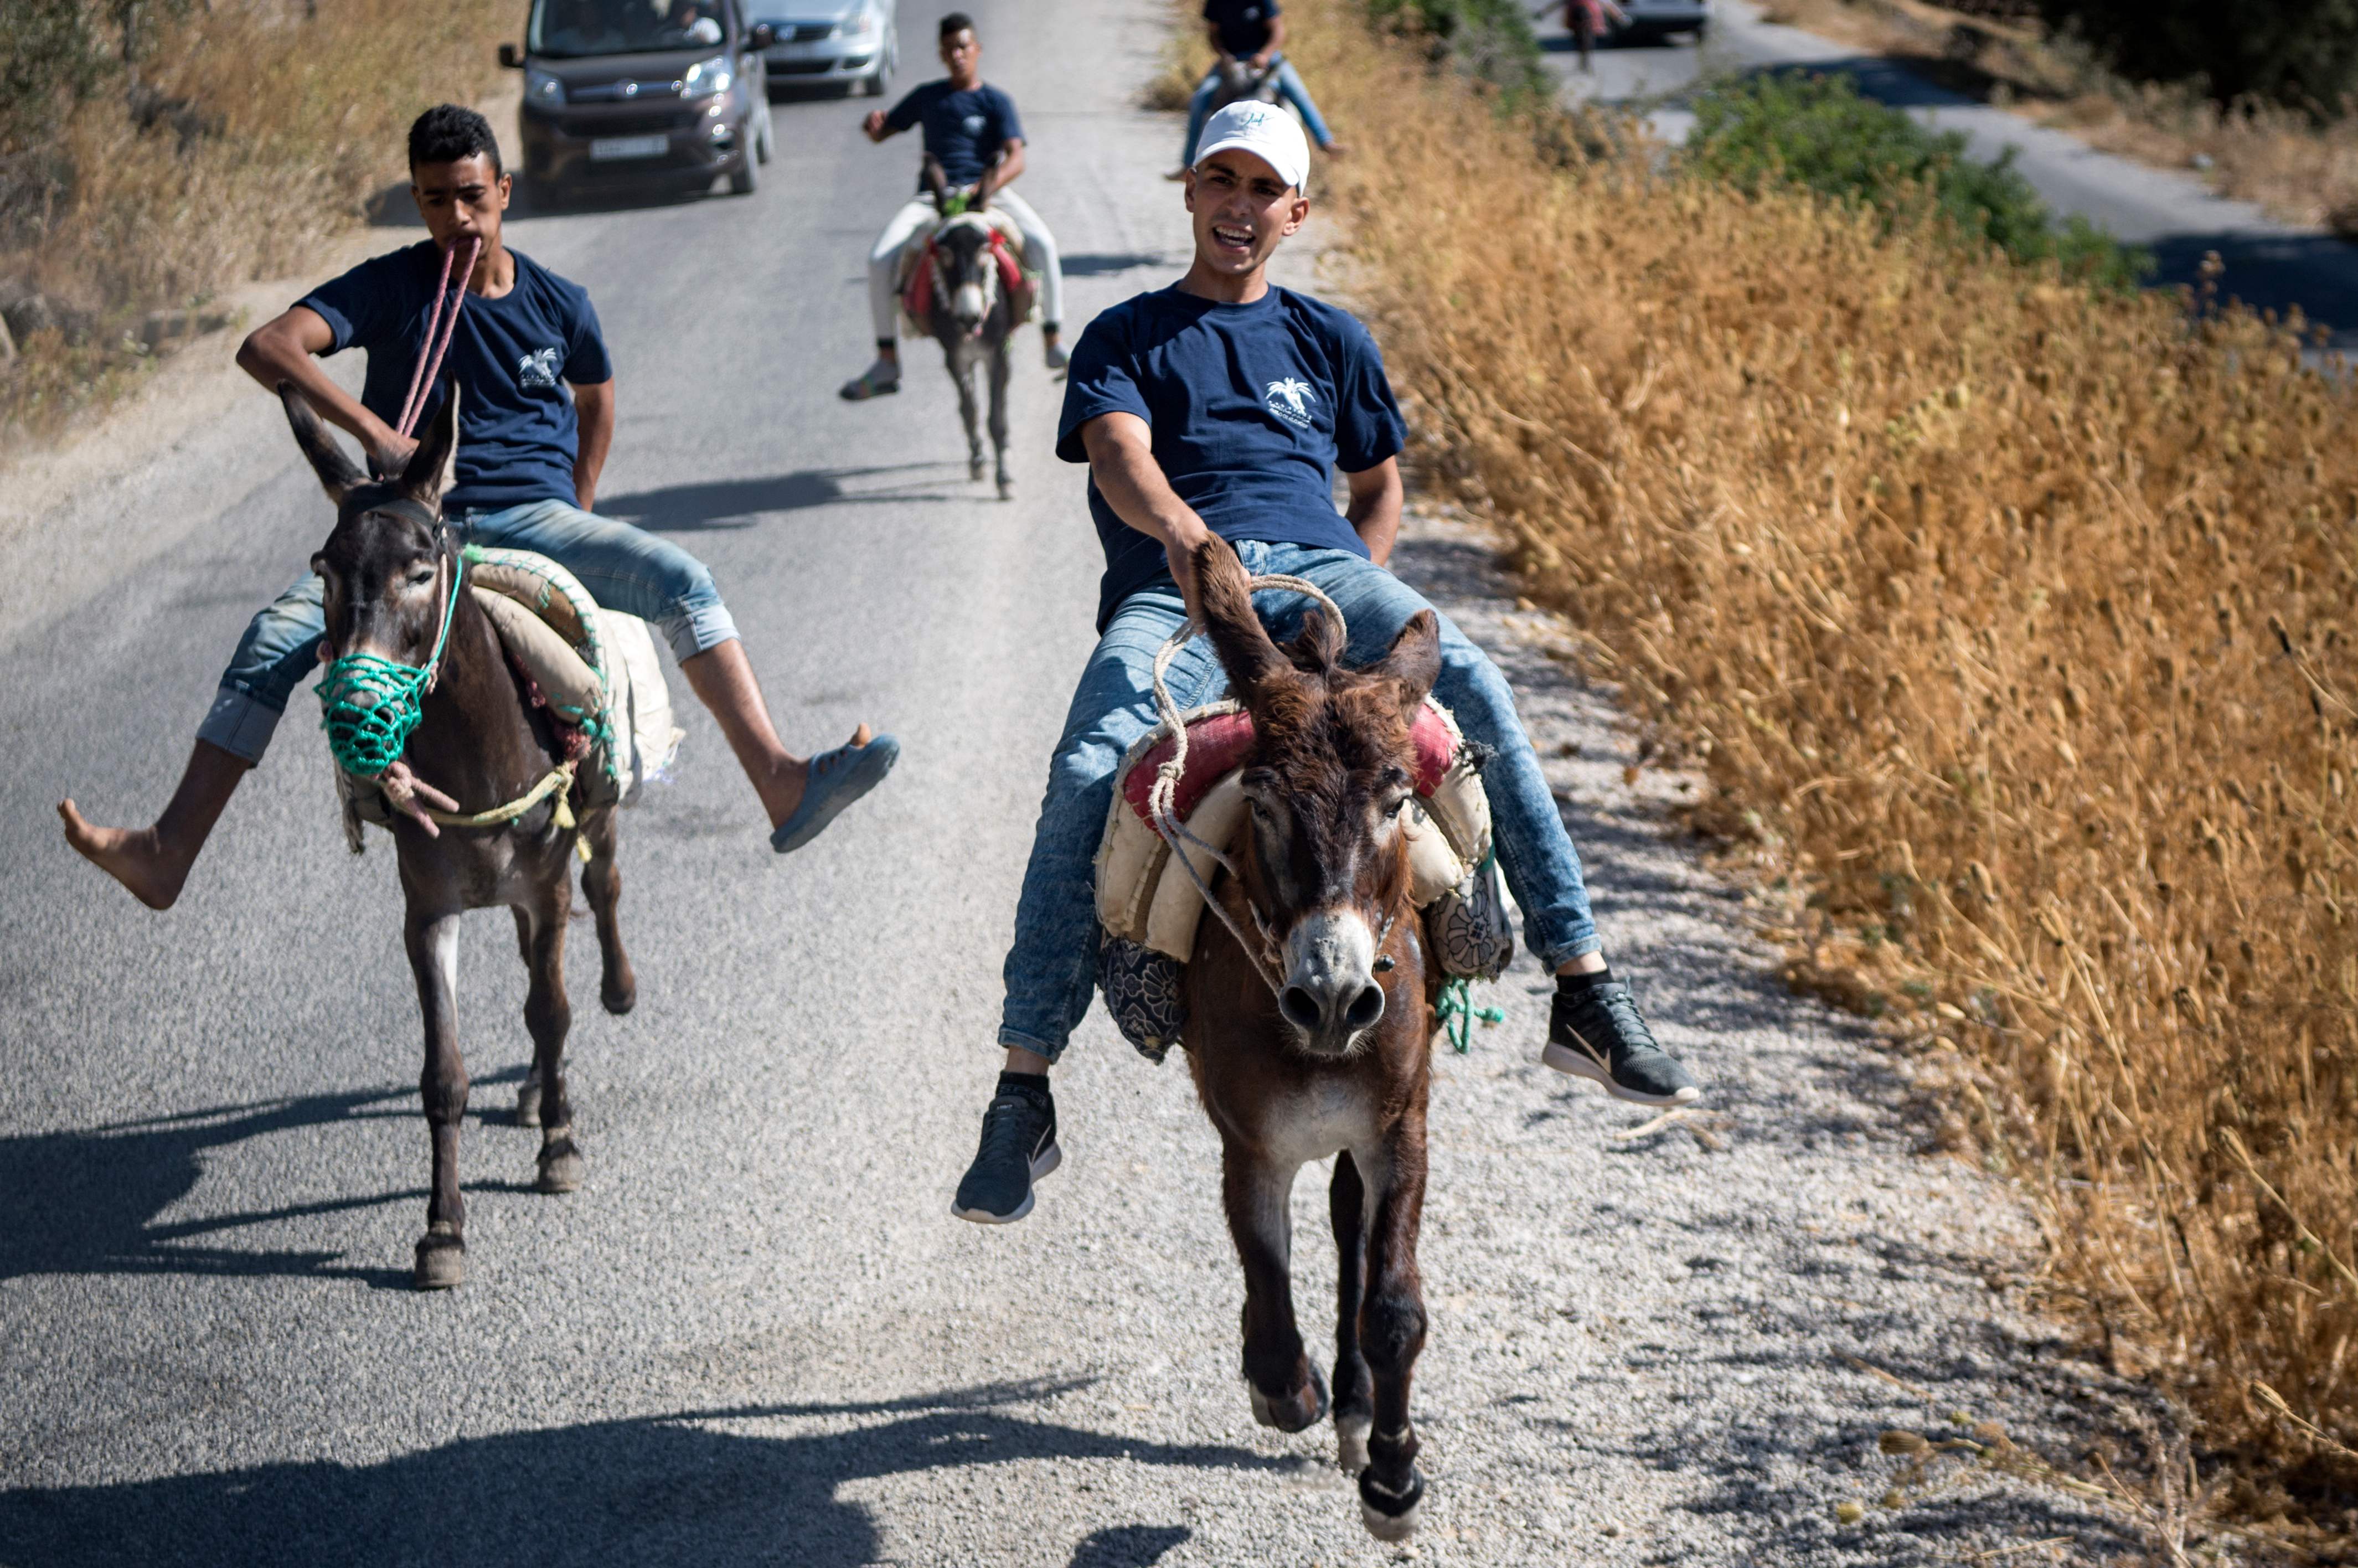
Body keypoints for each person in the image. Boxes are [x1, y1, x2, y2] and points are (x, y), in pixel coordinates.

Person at [952, 102, 1701, 1226]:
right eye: (1221, 180)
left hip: (1324, 570)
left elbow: (1377, 478)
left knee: (1481, 688)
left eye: (1264, 189)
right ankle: (1023, 1086)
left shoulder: (1330, 339)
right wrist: (1189, 545)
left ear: (1295, 211)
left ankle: (1583, 986)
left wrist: (1364, 586)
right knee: (1087, 765)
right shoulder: (1125, 334)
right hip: (1181, 584)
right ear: (1190, 190)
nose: (1238, 206)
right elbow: (1116, 457)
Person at [58, 105, 899, 910]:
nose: (456, 217)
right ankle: (168, 853)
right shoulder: (392, 287)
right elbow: (266, 347)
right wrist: (373, 431)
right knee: (271, 637)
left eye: (471, 195)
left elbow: (597, 397)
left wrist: (579, 501)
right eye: (434, 199)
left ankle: (779, 781)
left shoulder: (559, 302)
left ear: (504, 191)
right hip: (413, 528)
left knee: (681, 576)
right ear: (417, 201)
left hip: (534, 518)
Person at [838, 12, 1069, 401]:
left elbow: (1017, 159)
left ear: (976, 50)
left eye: (963, 47)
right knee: (879, 259)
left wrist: (984, 187)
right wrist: (873, 125)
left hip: (988, 196)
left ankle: (1054, 341)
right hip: (933, 198)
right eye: (949, 50)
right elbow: (882, 132)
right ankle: (886, 360)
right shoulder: (929, 97)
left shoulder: (995, 101)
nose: (957, 55)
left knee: (1043, 244)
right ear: (941, 55)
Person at [1169, 0, 1345, 177]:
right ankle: (1188, 164)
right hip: (1232, 61)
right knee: (1201, 98)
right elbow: (1213, 34)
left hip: (1268, 60)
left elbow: (1278, 31)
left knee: (1299, 94)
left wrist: (1265, 55)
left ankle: (1326, 142)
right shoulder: (1216, 2)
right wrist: (1224, 56)